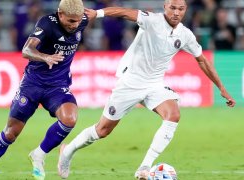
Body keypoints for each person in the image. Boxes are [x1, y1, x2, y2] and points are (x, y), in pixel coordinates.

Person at [57, 0, 236, 179]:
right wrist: (99, 13)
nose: (176, 13)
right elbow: (125, 13)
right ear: (165, 7)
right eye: (172, 8)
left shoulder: (185, 34)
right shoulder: (152, 20)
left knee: (173, 115)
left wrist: (221, 87)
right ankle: (67, 151)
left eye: (180, 9)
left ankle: (144, 167)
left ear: (185, 10)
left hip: (154, 84)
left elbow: (202, 60)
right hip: (130, 82)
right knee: (102, 130)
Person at [0, 0, 89, 179]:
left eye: (78, 20)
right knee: (10, 134)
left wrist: (131, 15)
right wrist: (45, 57)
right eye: (71, 21)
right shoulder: (47, 23)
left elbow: (103, 12)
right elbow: (27, 50)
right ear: (60, 14)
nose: (75, 25)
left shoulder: (83, 19)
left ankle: (39, 154)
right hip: (32, 85)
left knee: (70, 119)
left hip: (57, 86)